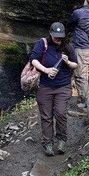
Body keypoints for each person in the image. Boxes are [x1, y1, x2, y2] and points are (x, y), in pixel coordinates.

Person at [30, 22, 79, 156]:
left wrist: (67, 61)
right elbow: (33, 59)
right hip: (44, 87)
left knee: (60, 113)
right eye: (56, 36)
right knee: (46, 116)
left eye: (60, 36)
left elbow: (75, 64)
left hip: (63, 86)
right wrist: (46, 70)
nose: (58, 38)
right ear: (50, 33)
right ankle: (48, 143)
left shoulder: (68, 46)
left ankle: (62, 139)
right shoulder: (43, 44)